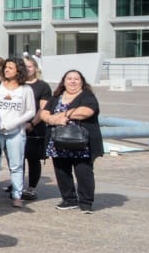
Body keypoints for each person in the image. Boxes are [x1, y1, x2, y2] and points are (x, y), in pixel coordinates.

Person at [42, 70, 103, 213]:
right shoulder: (56, 97)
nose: (73, 81)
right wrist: (52, 119)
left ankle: (86, 202)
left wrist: (64, 115)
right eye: (69, 78)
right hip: (58, 142)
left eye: (76, 79)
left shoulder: (87, 96)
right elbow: (44, 113)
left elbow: (86, 111)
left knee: (83, 172)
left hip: (81, 143)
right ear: (63, 81)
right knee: (61, 171)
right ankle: (68, 199)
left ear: (82, 81)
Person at [0, 58, 36, 209]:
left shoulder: (25, 89)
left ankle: (17, 195)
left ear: (18, 71)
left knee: (16, 165)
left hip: (16, 132)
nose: (6, 70)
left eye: (11, 68)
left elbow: (30, 111)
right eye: (6, 67)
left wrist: (12, 124)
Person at [22, 57, 52, 197]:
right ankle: (17, 185)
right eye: (24, 66)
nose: (28, 69)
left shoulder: (43, 86)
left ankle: (32, 187)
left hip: (35, 127)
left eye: (30, 66)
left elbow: (43, 108)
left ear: (35, 68)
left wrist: (32, 123)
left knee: (32, 158)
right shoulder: (16, 84)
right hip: (16, 127)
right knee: (17, 159)